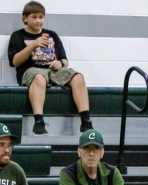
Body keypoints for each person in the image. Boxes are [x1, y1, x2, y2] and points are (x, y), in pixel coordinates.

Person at [7, 1, 92, 135]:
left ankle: (86, 121)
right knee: (39, 78)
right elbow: (14, 62)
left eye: (41, 17)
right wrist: (33, 45)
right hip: (31, 71)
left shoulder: (52, 35)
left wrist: (61, 63)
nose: (38, 21)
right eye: (34, 17)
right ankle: (39, 122)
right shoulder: (18, 36)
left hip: (53, 70)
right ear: (25, 18)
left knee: (78, 77)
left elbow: (64, 59)